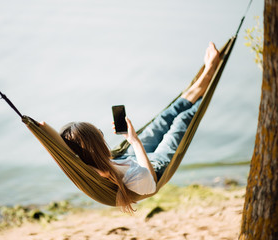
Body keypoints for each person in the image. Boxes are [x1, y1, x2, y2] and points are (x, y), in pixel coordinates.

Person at [59, 42, 220, 213]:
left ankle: (208, 72)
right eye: (99, 134)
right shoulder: (132, 178)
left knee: (167, 115)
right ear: (94, 145)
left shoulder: (90, 162)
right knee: (183, 119)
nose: (102, 134)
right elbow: (151, 183)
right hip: (152, 166)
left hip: (125, 158)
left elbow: (63, 145)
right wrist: (134, 141)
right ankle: (211, 75)